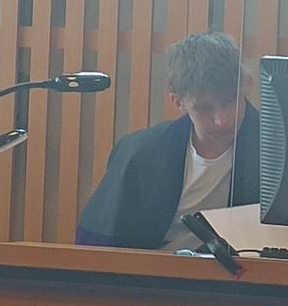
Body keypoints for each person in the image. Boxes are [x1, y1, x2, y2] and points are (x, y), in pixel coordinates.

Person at [76, 32, 258, 250]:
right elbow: (98, 243)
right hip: (152, 269)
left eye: (229, 101)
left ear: (247, 83)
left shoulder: (281, 151)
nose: (221, 120)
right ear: (177, 102)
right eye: (204, 108)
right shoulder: (140, 154)